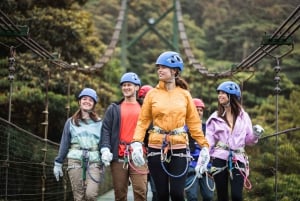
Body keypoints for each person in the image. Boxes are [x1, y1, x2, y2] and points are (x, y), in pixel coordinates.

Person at [130, 51, 210, 201]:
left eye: (163, 67)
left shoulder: (185, 94)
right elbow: (143, 121)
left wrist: (204, 146)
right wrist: (136, 143)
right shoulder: (152, 94)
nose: (159, 70)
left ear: (174, 71)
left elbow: (194, 124)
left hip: (179, 148)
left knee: (177, 194)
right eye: (158, 67)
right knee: (161, 195)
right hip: (156, 148)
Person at [205, 81, 264, 201]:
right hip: (219, 158)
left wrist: (255, 135)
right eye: (219, 93)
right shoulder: (215, 117)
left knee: (237, 196)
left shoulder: (244, 117)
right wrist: (205, 159)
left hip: (238, 158)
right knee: (222, 196)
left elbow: (248, 140)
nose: (219, 96)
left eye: (223, 93)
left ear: (231, 96)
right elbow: (209, 141)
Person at [100, 72, 148, 201]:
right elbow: (106, 130)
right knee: (120, 193)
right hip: (119, 155)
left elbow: (150, 131)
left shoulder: (145, 108)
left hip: (139, 154)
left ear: (137, 87)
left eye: (129, 85)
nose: (126, 88)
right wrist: (105, 148)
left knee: (141, 191)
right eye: (124, 85)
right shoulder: (114, 108)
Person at [53, 88, 103, 201]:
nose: (87, 101)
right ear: (79, 101)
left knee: (91, 195)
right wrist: (58, 162)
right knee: (78, 197)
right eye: (84, 98)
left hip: (94, 161)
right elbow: (64, 143)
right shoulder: (70, 122)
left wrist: (104, 157)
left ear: (94, 104)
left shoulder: (99, 123)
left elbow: (103, 143)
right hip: (75, 161)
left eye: (91, 100)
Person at [185, 98, 214, 201]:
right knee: (192, 196)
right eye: (196, 109)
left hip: (206, 166)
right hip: (190, 166)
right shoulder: (184, 128)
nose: (199, 112)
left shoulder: (208, 128)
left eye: (201, 110)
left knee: (208, 196)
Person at [138, 85, 158, 201]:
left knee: (157, 190)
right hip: (142, 154)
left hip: (155, 155)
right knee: (141, 189)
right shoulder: (138, 114)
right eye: (144, 98)